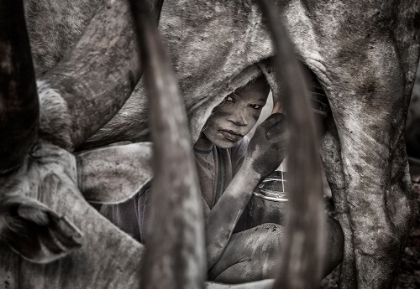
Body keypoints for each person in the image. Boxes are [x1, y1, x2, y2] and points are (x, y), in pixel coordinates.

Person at [101, 75, 343, 283]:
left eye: (255, 107)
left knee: (325, 237)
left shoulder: (230, 146)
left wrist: (278, 131)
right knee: (279, 246)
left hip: (202, 261)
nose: (241, 120)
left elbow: (244, 217)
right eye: (229, 99)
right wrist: (253, 169)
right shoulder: (155, 151)